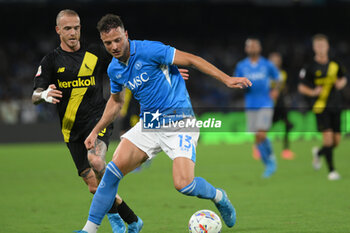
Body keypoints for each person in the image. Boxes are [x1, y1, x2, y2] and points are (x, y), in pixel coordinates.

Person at [75, 14, 251, 233]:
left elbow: (193, 60)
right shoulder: (115, 69)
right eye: (108, 43)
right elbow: (116, 102)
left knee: (184, 185)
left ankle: (219, 196)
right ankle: (88, 230)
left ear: (126, 34)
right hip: (149, 124)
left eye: (118, 40)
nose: (114, 46)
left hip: (179, 122)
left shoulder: (150, 50)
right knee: (110, 174)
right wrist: (95, 130)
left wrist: (227, 79)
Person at [32, 9, 143, 233]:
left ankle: (115, 224)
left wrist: (161, 70)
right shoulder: (51, 60)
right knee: (94, 186)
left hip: (98, 120)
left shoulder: (95, 52)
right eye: (67, 29)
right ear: (58, 31)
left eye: (76, 28)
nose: (73, 33)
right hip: (70, 130)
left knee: (97, 161)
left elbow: (126, 60)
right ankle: (133, 221)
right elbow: (34, 95)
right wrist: (44, 95)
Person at [298, 34, 347, 180]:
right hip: (320, 106)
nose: (320, 48)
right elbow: (301, 87)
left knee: (336, 142)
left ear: (327, 47)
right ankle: (332, 171)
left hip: (336, 105)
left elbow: (343, 77)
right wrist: (313, 92)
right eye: (318, 46)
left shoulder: (335, 64)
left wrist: (341, 83)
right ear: (314, 48)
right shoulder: (309, 67)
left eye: (323, 45)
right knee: (328, 140)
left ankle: (318, 153)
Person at [234, 37, 281, 178]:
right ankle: (268, 163)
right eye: (250, 46)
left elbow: (278, 78)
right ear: (246, 49)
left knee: (261, 133)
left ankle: (271, 161)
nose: (252, 48)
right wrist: (240, 85)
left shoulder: (267, 64)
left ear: (259, 48)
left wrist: (276, 90)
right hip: (251, 104)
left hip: (266, 102)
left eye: (255, 45)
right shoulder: (241, 66)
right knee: (257, 137)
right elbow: (236, 81)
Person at [268, 52, 295, 160]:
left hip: (280, 103)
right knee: (264, 127)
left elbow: (282, 89)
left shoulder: (282, 73)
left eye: (277, 60)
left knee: (287, 125)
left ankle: (286, 150)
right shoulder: (265, 74)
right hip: (268, 104)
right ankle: (259, 147)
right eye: (273, 60)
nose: (275, 62)